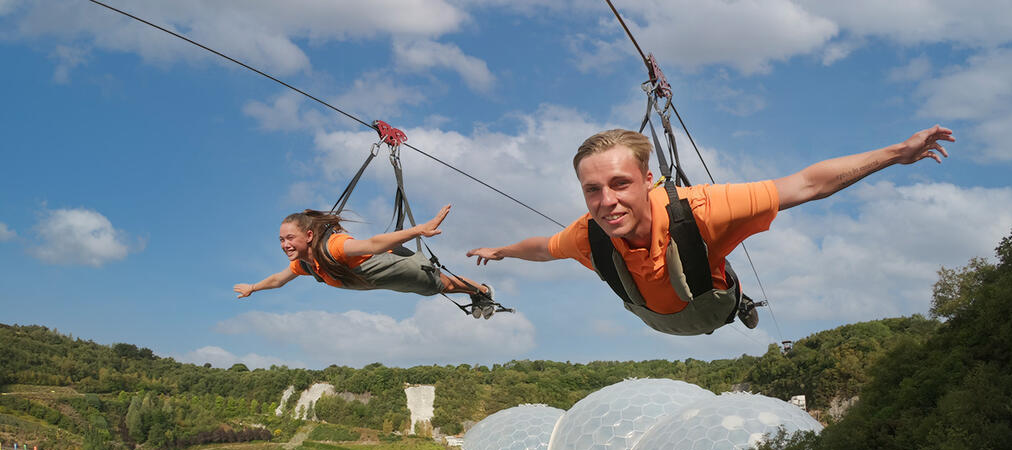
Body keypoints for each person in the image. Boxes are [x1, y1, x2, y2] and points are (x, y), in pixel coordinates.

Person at [466, 125, 954, 335]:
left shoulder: (700, 210)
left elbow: (806, 184)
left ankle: (740, 302)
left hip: (709, 306)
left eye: (619, 184)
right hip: (657, 318)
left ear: (649, 180)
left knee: (708, 277)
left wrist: (895, 154)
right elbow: (544, 248)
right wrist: (502, 251)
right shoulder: (587, 234)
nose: (606, 201)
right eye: (592, 190)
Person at [235, 204, 499, 318]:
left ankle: (483, 291)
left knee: (442, 286)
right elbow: (278, 279)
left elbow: (372, 244)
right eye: (281, 240)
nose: (285, 245)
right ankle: (478, 292)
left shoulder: (334, 247)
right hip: (380, 280)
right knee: (438, 288)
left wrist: (419, 230)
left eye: (289, 238)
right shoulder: (304, 264)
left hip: (388, 267)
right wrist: (253, 288)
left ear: (308, 235)